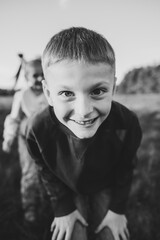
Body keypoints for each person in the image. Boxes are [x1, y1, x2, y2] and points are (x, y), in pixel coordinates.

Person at [25, 27, 142, 240]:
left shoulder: (129, 124)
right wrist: (63, 207)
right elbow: (45, 169)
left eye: (97, 91)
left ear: (113, 88)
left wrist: (117, 210)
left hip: (105, 184)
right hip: (67, 186)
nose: (84, 110)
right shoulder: (37, 129)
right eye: (67, 93)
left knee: (111, 235)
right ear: (49, 94)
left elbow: (126, 168)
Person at [2, 57, 48, 222]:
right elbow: (14, 118)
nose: (39, 78)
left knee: (48, 172)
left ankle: (46, 204)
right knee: (29, 172)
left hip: (48, 140)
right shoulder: (22, 95)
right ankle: (30, 209)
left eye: (43, 74)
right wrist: (9, 138)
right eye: (35, 75)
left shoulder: (50, 93)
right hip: (27, 140)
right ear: (27, 77)